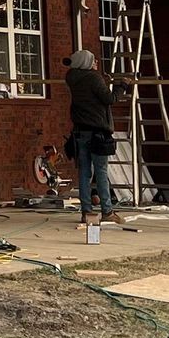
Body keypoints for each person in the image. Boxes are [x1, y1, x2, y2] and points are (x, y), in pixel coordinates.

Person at [63, 49, 115, 220]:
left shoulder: (71, 78)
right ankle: (107, 211)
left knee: (84, 172)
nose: (96, 63)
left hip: (80, 132)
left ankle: (86, 211)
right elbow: (109, 99)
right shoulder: (93, 78)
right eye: (93, 61)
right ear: (86, 63)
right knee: (101, 171)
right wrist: (122, 86)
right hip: (97, 132)